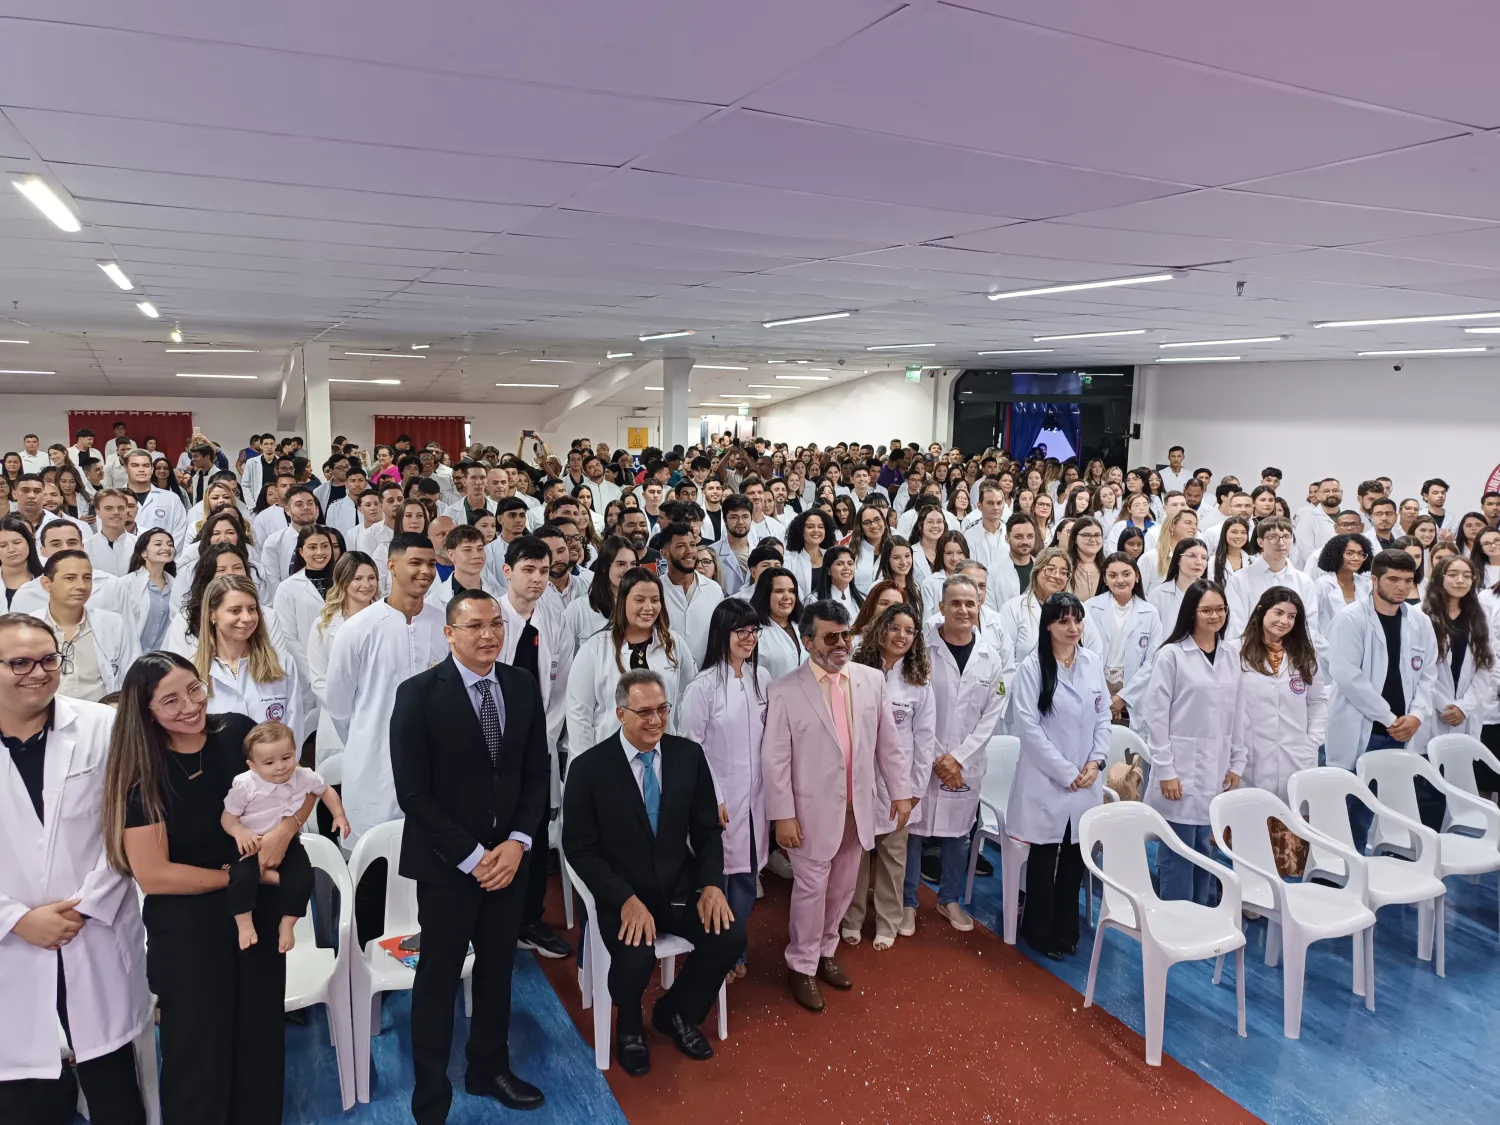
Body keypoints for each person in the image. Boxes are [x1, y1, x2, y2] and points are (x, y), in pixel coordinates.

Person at [107, 653, 301, 1124]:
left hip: (255, 912)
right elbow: (154, 875)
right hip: (188, 927)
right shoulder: (143, 770)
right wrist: (240, 876)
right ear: (146, 710)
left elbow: (296, 787)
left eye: (194, 689)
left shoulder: (236, 733)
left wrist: (288, 827)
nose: (190, 706)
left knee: (259, 1040)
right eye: (170, 701)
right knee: (198, 1056)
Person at [390, 590, 550, 1118]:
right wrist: (474, 856)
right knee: (438, 980)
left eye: (495, 624)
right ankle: (431, 1093)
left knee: (498, 971)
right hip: (448, 866)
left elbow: (536, 772)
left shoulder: (520, 685)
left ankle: (488, 1069)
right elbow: (414, 794)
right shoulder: (417, 695)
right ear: (449, 633)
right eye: (475, 626)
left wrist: (518, 843)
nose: (488, 635)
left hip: (509, 862)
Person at [0, 613, 151, 1125]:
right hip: (12, 946)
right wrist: (16, 919)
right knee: (26, 1096)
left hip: (92, 930)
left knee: (113, 1086)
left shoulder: (102, 727)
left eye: (48, 660)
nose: (38, 673)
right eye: (19, 663)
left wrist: (84, 907)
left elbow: (129, 826)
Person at [563, 669, 744, 1076]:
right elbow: (579, 848)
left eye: (662, 709)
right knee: (635, 956)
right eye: (644, 712)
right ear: (620, 714)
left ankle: (676, 1012)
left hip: (678, 886)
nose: (656, 720)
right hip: (622, 892)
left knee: (729, 936)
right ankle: (629, 1025)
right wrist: (624, 898)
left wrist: (711, 884)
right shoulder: (589, 769)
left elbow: (707, 831)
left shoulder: (688, 757)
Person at [761, 600, 914, 1012]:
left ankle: (826, 951)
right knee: (811, 891)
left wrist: (900, 792)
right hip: (808, 815)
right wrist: (783, 816)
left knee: (844, 887)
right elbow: (775, 761)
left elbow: (888, 744)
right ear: (807, 641)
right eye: (830, 637)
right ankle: (801, 964)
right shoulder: (784, 690)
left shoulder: (870, 680)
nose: (841, 644)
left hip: (857, 809)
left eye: (845, 635)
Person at [1008, 592, 1111, 958]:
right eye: (1064, 621)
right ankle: (1038, 931)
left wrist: (1096, 762)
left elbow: (1103, 716)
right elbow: (1029, 728)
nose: (1073, 628)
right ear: (1048, 625)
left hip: (1086, 779)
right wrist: (1067, 772)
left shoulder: (1091, 661)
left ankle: (1067, 929)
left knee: (1073, 857)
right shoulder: (1032, 667)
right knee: (1044, 856)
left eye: (1077, 620)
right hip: (1046, 780)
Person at [905, 573, 1007, 933]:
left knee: (959, 836)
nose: (963, 610)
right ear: (942, 607)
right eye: (956, 603)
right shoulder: (920, 650)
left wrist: (958, 758)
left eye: (970, 603)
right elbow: (913, 706)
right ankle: (907, 902)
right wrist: (938, 757)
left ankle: (949, 899)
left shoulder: (990, 657)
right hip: (923, 758)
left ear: (979, 607)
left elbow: (991, 715)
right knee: (913, 833)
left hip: (965, 764)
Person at [679, 598, 772, 976]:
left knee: (747, 877)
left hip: (756, 799)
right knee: (720, 880)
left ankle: (735, 950)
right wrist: (712, 797)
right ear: (722, 633)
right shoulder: (703, 687)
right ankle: (717, 953)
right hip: (719, 800)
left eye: (754, 631)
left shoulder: (761, 678)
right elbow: (691, 750)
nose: (749, 638)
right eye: (740, 631)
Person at [491, 535, 572, 960]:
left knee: (534, 836)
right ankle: (491, 925)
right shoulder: (490, 617)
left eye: (544, 570)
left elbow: (560, 690)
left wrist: (541, 739)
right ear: (507, 572)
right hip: (490, 747)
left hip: (537, 746)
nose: (538, 578)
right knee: (493, 834)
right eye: (528, 570)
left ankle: (530, 921)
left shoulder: (555, 620)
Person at [1326, 549, 1439, 848]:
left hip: (1403, 731)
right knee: (1353, 812)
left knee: (1395, 810)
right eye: (1393, 579)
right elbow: (1347, 676)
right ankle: (1347, 871)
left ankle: (1387, 867)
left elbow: (1428, 673)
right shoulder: (1350, 619)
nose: (1401, 587)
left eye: (1408, 580)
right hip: (1364, 731)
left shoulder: (1419, 621)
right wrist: (1390, 719)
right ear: (1374, 580)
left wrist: (1417, 715)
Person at [1143, 579, 1241, 904]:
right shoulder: (1171, 655)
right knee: (1178, 851)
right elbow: (1156, 717)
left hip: (1217, 766)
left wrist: (1237, 763)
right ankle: (1176, 917)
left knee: (1205, 848)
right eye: (1207, 610)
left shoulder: (1230, 655)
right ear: (1192, 612)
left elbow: (1238, 713)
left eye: (1220, 609)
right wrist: (1166, 770)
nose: (1215, 616)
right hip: (1179, 769)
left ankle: (1203, 914)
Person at [844, 602, 934, 950]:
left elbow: (925, 739)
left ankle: (888, 921)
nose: (901, 636)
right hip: (859, 779)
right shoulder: (856, 670)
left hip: (899, 783)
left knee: (894, 856)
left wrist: (914, 789)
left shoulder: (918, 681)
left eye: (909, 631)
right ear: (881, 629)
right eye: (895, 627)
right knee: (856, 853)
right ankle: (851, 918)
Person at [221, 721, 349, 952]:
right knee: (242, 876)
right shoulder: (245, 785)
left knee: (303, 877)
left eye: (286, 757)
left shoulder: (303, 776)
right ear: (252, 765)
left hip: (289, 841)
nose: (280, 767)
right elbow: (228, 817)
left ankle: (288, 923)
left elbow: (326, 791)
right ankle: (244, 922)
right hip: (252, 841)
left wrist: (339, 815)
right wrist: (239, 831)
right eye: (269, 763)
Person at [566, 567, 695, 754]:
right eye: (639, 600)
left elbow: (688, 694)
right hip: (609, 756)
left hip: (660, 753)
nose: (648, 608)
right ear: (622, 601)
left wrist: (679, 741)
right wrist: (585, 762)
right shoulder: (595, 649)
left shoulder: (673, 644)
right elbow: (579, 714)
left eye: (655, 600)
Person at [1232, 588, 1327, 808]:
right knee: (1253, 818)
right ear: (1261, 611)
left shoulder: (1304, 654)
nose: (1284, 621)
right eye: (1278, 613)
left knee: (1295, 818)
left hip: (1297, 754)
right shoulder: (1235, 652)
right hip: (1250, 755)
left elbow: (1317, 702)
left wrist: (1312, 741)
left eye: (1292, 616)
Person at [1412, 555, 1495, 772]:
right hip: (1432, 709)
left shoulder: (1479, 615)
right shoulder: (1420, 614)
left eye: (1467, 576)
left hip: (1466, 710)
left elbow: (1486, 665)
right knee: (1430, 775)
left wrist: (1464, 707)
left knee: (1461, 775)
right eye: (1453, 574)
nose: (1460, 580)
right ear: (1440, 577)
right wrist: (1446, 705)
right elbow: (1418, 670)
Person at [41, 550, 137, 702]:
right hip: (48, 712)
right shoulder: (30, 628)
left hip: (103, 711)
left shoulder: (112, 624)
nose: (81, 586)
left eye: (87, 578)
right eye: (70, 578)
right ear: (47, 584)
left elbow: (132, 675)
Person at [1083, 552, 1161, 734]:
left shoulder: (1150, 613)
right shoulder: (1090, 608)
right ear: (1105, 579)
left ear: (1137, 576)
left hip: (1134, 689)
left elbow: (1152, 661)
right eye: (1113, 575)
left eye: (1126, 574)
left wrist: (1122, 698)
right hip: (1097, 685)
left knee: (1130, 745)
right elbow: (1083, 654)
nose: (1120, 580)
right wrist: (1106, 698)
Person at [658, 521, 724, 667]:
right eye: (681, 546)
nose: (690, 551)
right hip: (667, 672)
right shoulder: (656, 590)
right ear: (665, 553)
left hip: (707, 672)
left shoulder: (713, 589)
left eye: (692, 545)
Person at [122, 451, 188, 554]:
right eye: (135, 465)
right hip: (123, 558)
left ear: (152, 469)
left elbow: (179, 534)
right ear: (125, 468)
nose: (141, 470)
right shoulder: (113, 499)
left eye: (146, 465)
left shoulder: (171, 499)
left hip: (163, 559)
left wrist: (164, 558)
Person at [750, 566, 806, 681]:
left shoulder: (804, 626)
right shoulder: (753, 632)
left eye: (791, 591)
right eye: (779, 591)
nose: (787, 597)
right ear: (765, 595)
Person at [1312, 532, 1372, 637]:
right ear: (1337, 555)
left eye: (1361, 554)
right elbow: (1311, 621)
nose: (1356, 558)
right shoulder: (1322, 585)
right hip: (1328, 642)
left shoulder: (1364, 584)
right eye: (1349, 553)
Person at [1147, 537, 1209, 633]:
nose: (1199, 562)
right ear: (1178, 559)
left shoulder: (1211, 594)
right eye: (1192, 556)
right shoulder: (1158, 595)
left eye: (1204, 558)